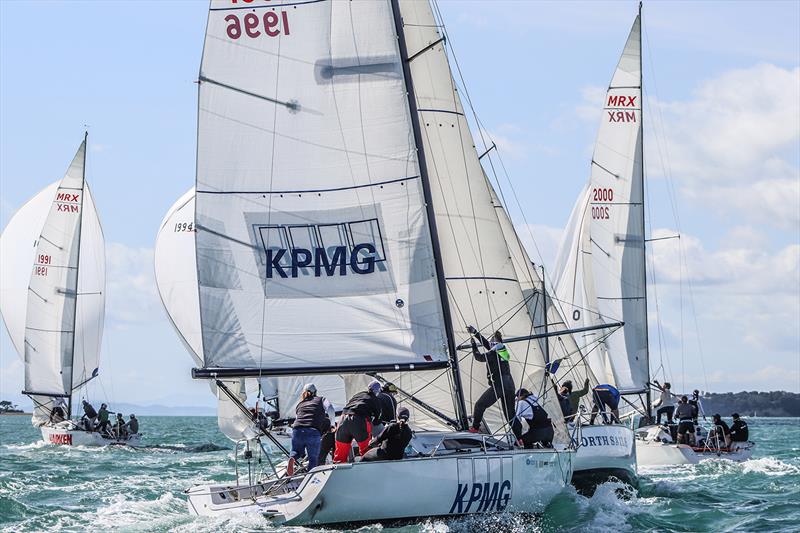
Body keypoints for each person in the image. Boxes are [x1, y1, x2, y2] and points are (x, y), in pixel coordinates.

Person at [466, 326, 515, 433]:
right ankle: (520, 438)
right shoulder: (502, 350)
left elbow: (479, 357)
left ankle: (475, 428)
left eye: (491, 342)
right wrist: (475, 332)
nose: (489, 343)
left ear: (494, 343)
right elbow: (486, 344)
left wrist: (474, 346)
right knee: (510, 415)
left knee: (479, 405)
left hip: (499, 385)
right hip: (510, 385)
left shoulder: (492, 353)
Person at [288, 383, 336, 475]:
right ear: (316, 392)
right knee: (313, 459)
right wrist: (332, 424)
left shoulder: (300, 404)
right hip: (312, 431)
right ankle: (310, 479)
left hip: (297, 430)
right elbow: (330, 409)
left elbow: (297, 418)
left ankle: (292, 458)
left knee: (296, 451)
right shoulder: (321, 399)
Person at [334, 380, 382, 463]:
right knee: (365, 450)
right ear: (377, 391)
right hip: (359, 420)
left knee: (340, 453)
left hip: (342, 418)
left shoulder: (358, 395)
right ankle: (367, 467)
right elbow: (378, 419)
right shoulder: (375, 400)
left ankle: (338, 468)